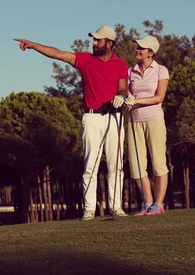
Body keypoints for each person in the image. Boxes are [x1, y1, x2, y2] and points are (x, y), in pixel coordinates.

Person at [14, 26, 129, 220]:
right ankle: (89, 210)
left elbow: (123, 88)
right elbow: (58, 54)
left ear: (109, 43)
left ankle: (116, 207)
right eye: (93, 39)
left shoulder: (120, 64)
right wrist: (33, 45)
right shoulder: (85, 60)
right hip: (91, 117)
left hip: (114, 117)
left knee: (115, 165)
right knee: (90, 166)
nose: (94, 43)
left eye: (98, 40)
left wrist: (122, 96)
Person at [124, 35, 169, 216]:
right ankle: (147, 203)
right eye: (138, 47)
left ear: (151, 52)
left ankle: (158, 204)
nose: (137, 50)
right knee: (136, 165)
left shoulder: (161, 70)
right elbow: (127, 93)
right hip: (134, 121)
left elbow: (159, 97)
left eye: (141, 48)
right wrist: (127, 98)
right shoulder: (130, 71)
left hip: (155, 120)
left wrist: (136, 100)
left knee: (158, 162)